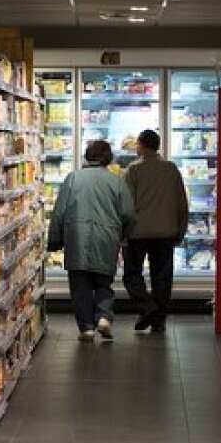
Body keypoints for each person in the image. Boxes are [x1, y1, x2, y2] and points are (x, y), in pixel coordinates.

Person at [47, 140, 135, 342]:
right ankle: (104, 316)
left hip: (77, 237)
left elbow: (59, 212)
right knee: (104, 282)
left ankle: (86, 327)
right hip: (107, 238)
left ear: (87, 156)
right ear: (108, 158)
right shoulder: (117, 181)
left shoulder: (73, 178)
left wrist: (54, 240)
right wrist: (124, 236)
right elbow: (129, 214)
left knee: (80, 286)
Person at [123, 129, 188, 333]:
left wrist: (122, 232)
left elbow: (126, 205)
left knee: (132, 274)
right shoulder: (171, 169)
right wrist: (181, 230)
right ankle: (158, 319)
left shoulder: (133, 170)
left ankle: (147, 307)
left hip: (137, 232)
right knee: (162, 277)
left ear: (141, 145)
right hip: (166, 232)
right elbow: (181, 203)